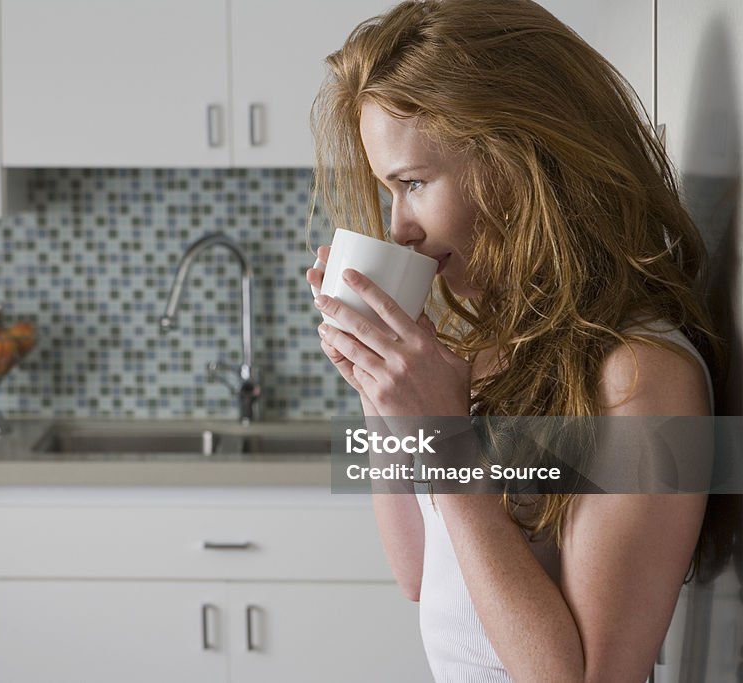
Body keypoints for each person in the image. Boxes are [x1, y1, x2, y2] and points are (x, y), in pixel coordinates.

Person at [304, 0, 723, 680]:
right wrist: (377, 386)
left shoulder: (643, 378)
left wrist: (445, 441)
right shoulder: (501, 341)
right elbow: (420, 573)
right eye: (391, 192)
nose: (400, 227)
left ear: (519, 159)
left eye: (412, 184)